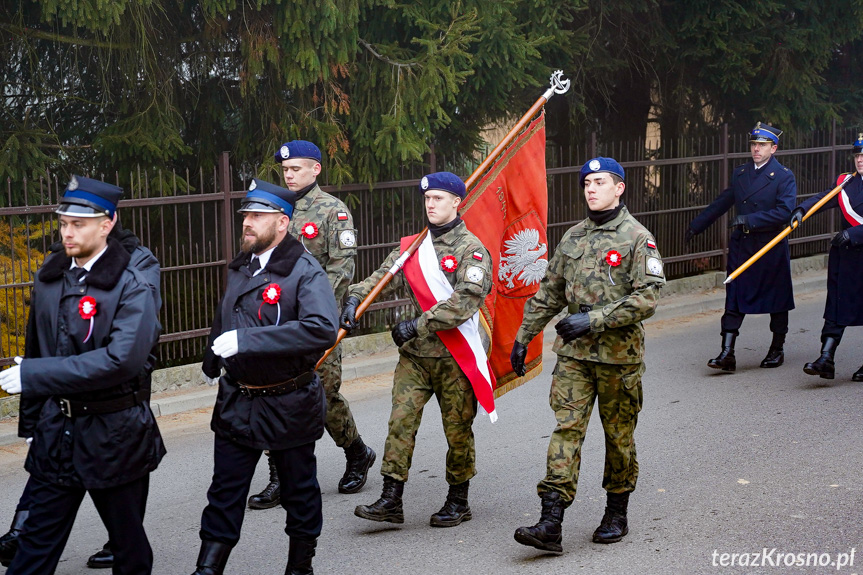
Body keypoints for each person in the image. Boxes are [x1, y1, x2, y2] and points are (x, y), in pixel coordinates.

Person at [0, 176, 164, 574]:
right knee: (34, 546)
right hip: (58, 431)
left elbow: (121, 361)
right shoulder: (50, 277)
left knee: (128, 547)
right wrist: (33, 422)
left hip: (113, 433)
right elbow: (38, 345)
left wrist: (38, 375)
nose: (67, 232)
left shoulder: (132, 284)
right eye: (63, 223)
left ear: (106, 224)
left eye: (79, 224)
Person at [510, 157, 665, 553]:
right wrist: (524, 336)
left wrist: (593, 320)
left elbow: (647, 297)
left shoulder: (637, 237)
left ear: (620, 188)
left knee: (618, 437)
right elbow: (549, 291)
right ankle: (551, 521)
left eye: (600, 182)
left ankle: (616, 511)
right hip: (574, 357)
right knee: (566, 430)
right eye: (587, 183)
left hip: (619, 358)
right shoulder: (573, 237)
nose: (591, 189)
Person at [190, 178, 338, 575]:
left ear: (283, 223)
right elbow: (228, 315)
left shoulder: (303, 270)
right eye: (246, 215)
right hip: (239, 400)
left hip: (288, 400)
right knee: (225, 491)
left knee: (299, 491)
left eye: (258, 216)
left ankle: (299, 567)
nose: (247, 223)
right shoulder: (241, 265)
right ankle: (207, 569)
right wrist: (212, 359)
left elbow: (322, 328)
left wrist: (248, 341)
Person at [344, 171, 493, 528]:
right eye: (427, 198)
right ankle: (390, 499)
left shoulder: (471, 249)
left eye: (438, 198)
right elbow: (381, 277)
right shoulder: (414, 246)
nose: (430, 204)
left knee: (457, 430)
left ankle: (458, 499)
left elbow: (464, 302)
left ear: (457, 202)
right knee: (401, 422)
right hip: (416, 357)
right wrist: (354, 298)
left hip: (455, 357)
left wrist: (417, 324)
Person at [246, 140, 373, 510]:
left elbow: (342, 266)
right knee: (273, 392)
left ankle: (356, 451)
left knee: (324, 395)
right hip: (276, 320)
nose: (289, 175)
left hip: (317, 321)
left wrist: (312, 306)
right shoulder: (272, 210)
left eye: (296, 169)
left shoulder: (334, 211)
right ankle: (279, 477)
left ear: (315, 169)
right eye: (285, 170)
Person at [686, 122, 797, 371]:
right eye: (754, 144)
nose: (756, 149)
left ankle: (777, 348)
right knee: (734, 296)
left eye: (762, 145)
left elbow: (785, 211)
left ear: (774, 148)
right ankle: (727, 352)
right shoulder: (741, 173)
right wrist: (697, 225)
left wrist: (750, 219)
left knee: (777, 299)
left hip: (770, 245)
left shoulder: (783, 176)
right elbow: (723, 202)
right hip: (743, 245)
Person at [790, 133, 863, 381]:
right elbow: (825, 197)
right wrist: (802, 209)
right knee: (836, 306)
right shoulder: (847, 182)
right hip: (846, 258)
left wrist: (854, 234)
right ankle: (826, 358)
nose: (860, 160)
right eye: (857, 155)